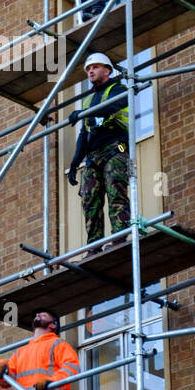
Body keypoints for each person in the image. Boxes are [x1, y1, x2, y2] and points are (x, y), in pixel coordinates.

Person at [67, 53, 131, 246]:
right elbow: (84, 135)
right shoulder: (89, 101)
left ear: (107, 70)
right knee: (89, 200)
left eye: (95, 67)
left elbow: (111, 106)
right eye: (88, 69)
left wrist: (83, 114)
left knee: (115, 191)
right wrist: (74, 163)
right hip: (93, 156)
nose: (90, 71)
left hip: (116, 148)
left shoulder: (118, 89)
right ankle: (94, 245)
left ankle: (119, 237)